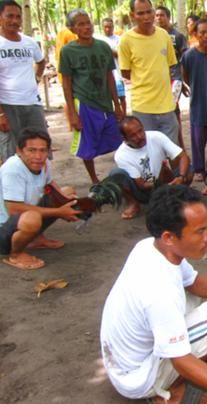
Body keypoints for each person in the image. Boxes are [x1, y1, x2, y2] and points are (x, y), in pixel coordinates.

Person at [100, 184, 207, 403]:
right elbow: (180, 360)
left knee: (193, 299)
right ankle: (166, 393)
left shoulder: (151, 247)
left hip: (123, 361)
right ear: (169, 237)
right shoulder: (159, 293)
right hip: (137, 377)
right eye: (199, 231)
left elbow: (192, 281)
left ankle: (183, 377)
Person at [0, 128, 81, 270]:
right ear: (19, 151)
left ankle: (35, 239)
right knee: (32, 218)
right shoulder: (12, 169)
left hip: (21, 217)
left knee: (67, 193)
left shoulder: (44, 164)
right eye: (31, 150)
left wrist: (67, 203)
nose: (38, 156)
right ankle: (15, 254)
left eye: (43, 150)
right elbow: (14, 209)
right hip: (3, 227)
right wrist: (59, 212)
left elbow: (50, 184)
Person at [59, 9, 124, 184]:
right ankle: (95, 180)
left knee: (120, 141)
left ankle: (124, 176)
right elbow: (67, 83)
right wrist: (72, 113)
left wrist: (117, 104)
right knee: (87, 146)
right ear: (73, 29)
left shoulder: (103, 47)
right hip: (84, 103)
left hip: (105, 103)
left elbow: (109, 76)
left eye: (88, 22)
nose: (86, 27)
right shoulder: (68, 51)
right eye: (81, 24)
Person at [119, 0, 180, 146]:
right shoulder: (126, 40)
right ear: (132, 15)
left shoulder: (164, 35)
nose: (146, 17)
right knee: (148, 151)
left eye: (149, 12)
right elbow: (126, 72)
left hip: (166, 106)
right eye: (141, 13)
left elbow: (171, 65)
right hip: (143, 107)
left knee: (171, 150)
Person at [111, 116, 192, 220]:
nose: (140, 136)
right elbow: (142, 185)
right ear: (125, 139)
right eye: (133, 135)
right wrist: (161, 181)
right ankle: (133, 203)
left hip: (163, 181)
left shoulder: (156, 136)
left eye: (140, 130)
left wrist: (181, 177)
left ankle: (173, 195)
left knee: (188, 170)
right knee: (116, 174)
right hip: (143, 191)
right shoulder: (121, 155)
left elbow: (183, 156)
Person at [0, 0, 47, 162]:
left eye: (18, 17)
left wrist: (36, 79)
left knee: (39, 147)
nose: (14, 21)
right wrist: (0, 114)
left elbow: (41, 61)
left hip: (33, 104)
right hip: (8, 105)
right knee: (12, 153)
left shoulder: (29, 42)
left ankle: (41, 185)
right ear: (0, 18)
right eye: (9, 16)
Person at [181, 18, 207, 186]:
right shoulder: (189, 56)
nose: (206, 36)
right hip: (199, 106)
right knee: (198, 140)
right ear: (195, 35)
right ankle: (199, 169)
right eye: (202, 32)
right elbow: (185, 76)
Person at [155, 5, 188, 149]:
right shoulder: (154, 36)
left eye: (161, 15)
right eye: (156, 15)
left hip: (175, 79)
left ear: (168, 17)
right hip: (159, 79)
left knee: (172, 110)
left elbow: (184, 59)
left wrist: (184, 81)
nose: (159, 18)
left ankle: (178, 146)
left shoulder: (178, 36)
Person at [96, 17, 127, 113]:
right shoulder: (98, 40)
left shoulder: (119, 39)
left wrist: (106, 50)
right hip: (103, 73)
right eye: (105, 27)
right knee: (106, 96)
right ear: (102, 27)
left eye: (110, 27)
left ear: (113, 27)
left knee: (121, 96)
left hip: (117, 73)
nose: (108, 29)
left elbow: (120, 54)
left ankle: (124, 115)